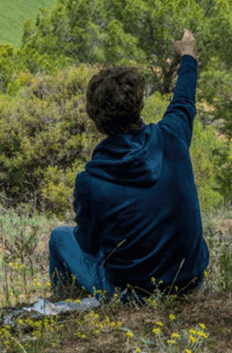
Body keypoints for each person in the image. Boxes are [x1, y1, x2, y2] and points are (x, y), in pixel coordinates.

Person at [49, 28, 209, 303]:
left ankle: (66, 305)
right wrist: (188, 56)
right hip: (191, 282)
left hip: (132, 295)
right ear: (139, 104)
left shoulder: (89, 182)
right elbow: (184, 99)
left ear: (94, 117)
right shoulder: (173, 136)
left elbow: (88, 244)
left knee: (60, 238)